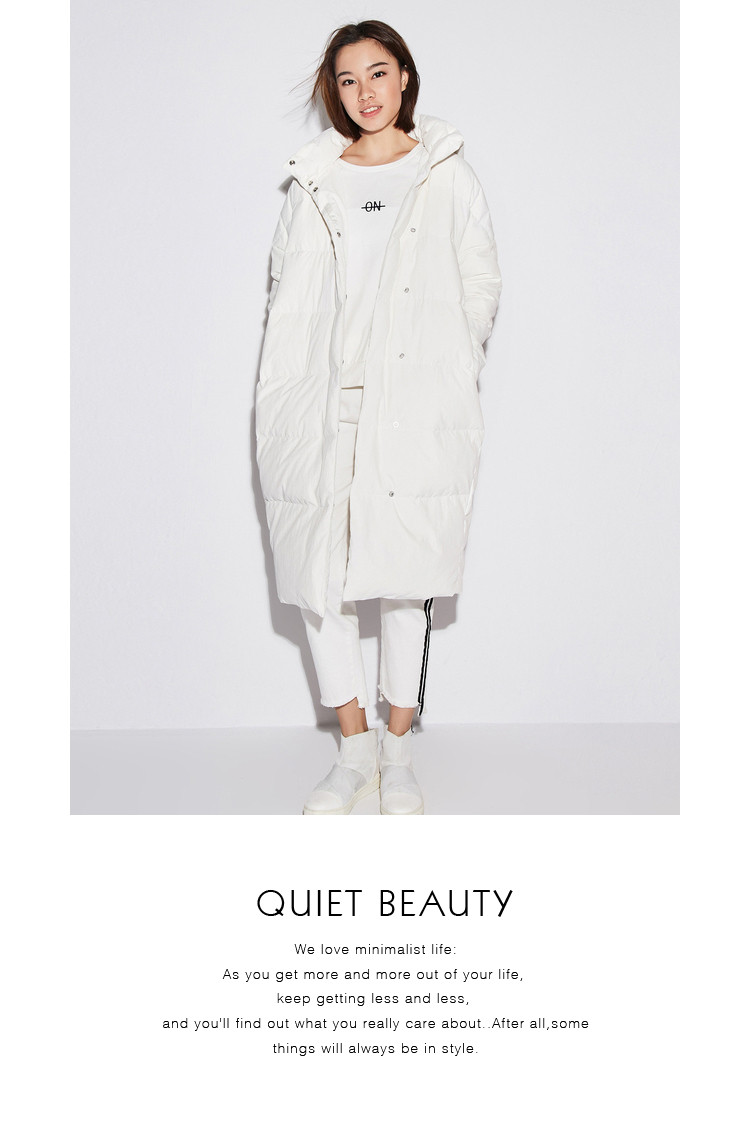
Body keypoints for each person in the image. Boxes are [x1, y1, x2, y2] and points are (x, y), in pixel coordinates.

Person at [256, 20, 502, 816]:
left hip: (413, 405)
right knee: (320, 582)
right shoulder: (314, 179)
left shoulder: (445, 174)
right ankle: (352, 747)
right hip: (322, 403)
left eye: (378, 72)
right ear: (336, 90)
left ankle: (398, 752)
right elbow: (283, 291)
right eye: (348, 78)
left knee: (406, 579)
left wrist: (448, 363)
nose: (365, 91)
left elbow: (481, 283)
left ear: (404, 78)